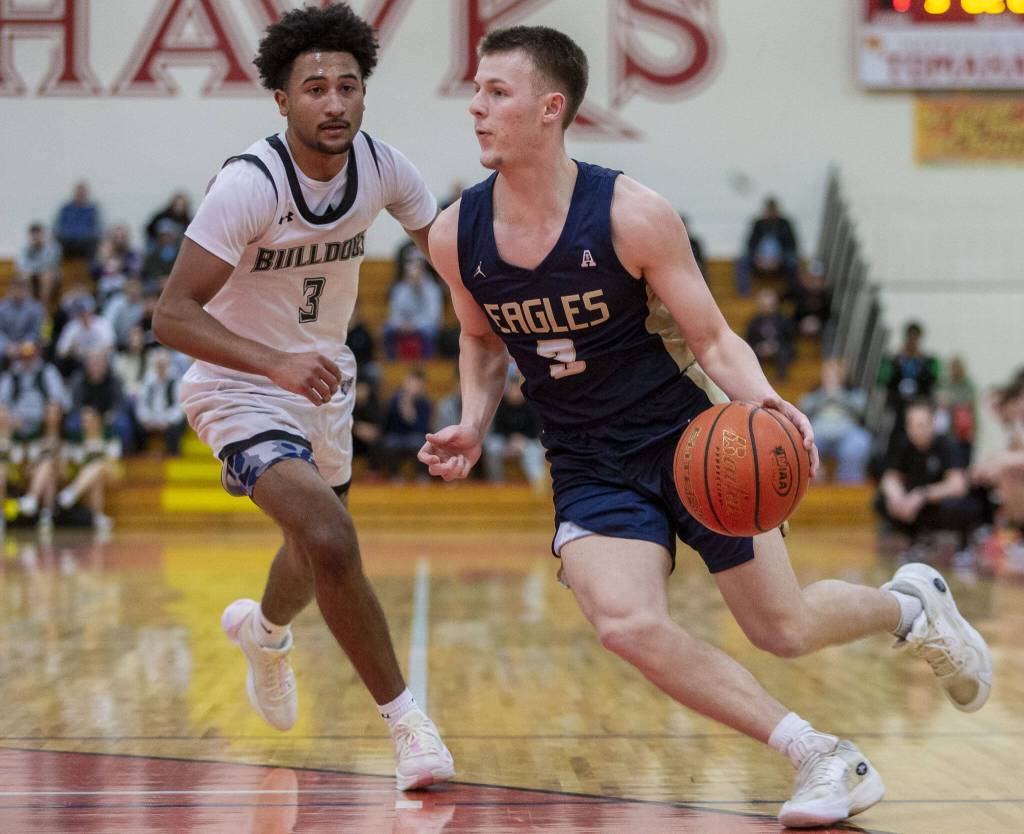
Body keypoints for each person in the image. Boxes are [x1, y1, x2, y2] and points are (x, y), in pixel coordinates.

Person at [418, 25, 991, 828]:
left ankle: (911, 608)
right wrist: (473, 422)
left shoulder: (631, 214)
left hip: (689, 442)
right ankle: (819, 753)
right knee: (624, 622)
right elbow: (480, 339)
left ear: (551, 109)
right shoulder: (456, 234)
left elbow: (716, 337)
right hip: (586, 459)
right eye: (475, 90)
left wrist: (766, 405)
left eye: (496, 92)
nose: (475, 107)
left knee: (783, 629)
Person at [152, 2, 453, 791]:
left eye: (348, 87)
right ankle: (408, 725)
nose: (334, 102)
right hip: (238, 383)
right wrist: (273, 363)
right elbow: (171, 315)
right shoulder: (249, 185)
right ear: (281, 100)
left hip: (323, 382)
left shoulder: (386, 168)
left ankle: (266, 632)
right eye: (314, 88)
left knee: (311, 546)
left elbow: (455, 259)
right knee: (329, 535)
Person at [876, 399, 986, 552]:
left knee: (957, 507)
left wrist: (923, 495)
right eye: (911, 425)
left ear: (933, 423)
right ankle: (909, 535)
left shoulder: (947, 444)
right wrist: (897, 496)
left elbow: (957, 485)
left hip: (934, 501)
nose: (915, 430)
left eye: (920, 425)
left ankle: (953, 541)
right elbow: (890, 478)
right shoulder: (904, 444)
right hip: (910, 503)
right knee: (882, 500)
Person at [798, 358, 872, 484]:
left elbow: (861, 408)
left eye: (835, 375)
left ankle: (848, 484)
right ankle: (815, 476)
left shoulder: (852, 394)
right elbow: (802, 407)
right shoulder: (815, 394)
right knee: (802, 442)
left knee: (861, 441)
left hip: (847, 433)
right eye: (828, 375)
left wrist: (839, 396)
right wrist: (824, 396)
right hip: (819, 432)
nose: (831, 378)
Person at [735, 196, 799, 297]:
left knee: (792, 261)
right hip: (759, 259)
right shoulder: (758, 224)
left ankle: (792, 293)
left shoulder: (785, 224)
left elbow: (792, 245)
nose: (771, 213)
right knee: (742, 261)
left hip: (780, 258)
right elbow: (750, 244)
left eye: (773, 210)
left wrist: (778, 259)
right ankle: (744, 293)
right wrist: (758, 258)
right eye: (769, 210)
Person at [14, 222, 62, 305]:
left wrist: (34, 267)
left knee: (46, 275)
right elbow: (21, 264)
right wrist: (34, 268)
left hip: (49, 274)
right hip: (31, 273)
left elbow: (50, 263)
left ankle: (43, 306)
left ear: (43, 234)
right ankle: (30, 305)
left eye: (38, 234)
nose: (36, 237)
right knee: (24, 276)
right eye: (34, 235)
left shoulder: (52, 246)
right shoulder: (24, 248)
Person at [54, 181, 102, 261]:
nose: (80, 194)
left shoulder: (93, 209)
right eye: (78, 192)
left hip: (87, 243)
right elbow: (57, 227)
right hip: (67, 243)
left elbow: (98, 228)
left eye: (83, 192)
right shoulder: (65, 209)